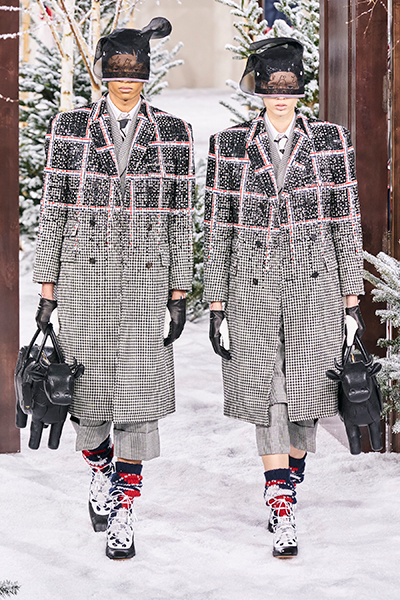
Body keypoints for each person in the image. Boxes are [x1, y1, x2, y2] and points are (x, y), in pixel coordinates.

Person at [33, 17, 194, 560]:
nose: (127, 83)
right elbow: (54, 210)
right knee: (86, 400)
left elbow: (180, 217)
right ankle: (99, 470)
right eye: (118, 73)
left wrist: (179, 291)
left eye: (136, 73)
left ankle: (125, 510)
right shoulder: (70, 127)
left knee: (138, 403)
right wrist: (47, 288)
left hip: (146, 284)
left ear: (147, 75)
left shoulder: (173, 133)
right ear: (104, 74)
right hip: (84, 281)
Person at [203, 38, 365, 558]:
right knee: (268, 398)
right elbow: (218, 229)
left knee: (305, 402)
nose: (279, 97)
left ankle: (289, 482)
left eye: (289, 88)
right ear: (258, 91)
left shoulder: (331, 142)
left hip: (314, 289)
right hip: (252, 289)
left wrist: (351, 301)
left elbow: (345, 223)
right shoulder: (229, 146)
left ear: (300, 91)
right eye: (271, 88)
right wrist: (216, 304)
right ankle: (281, 505)